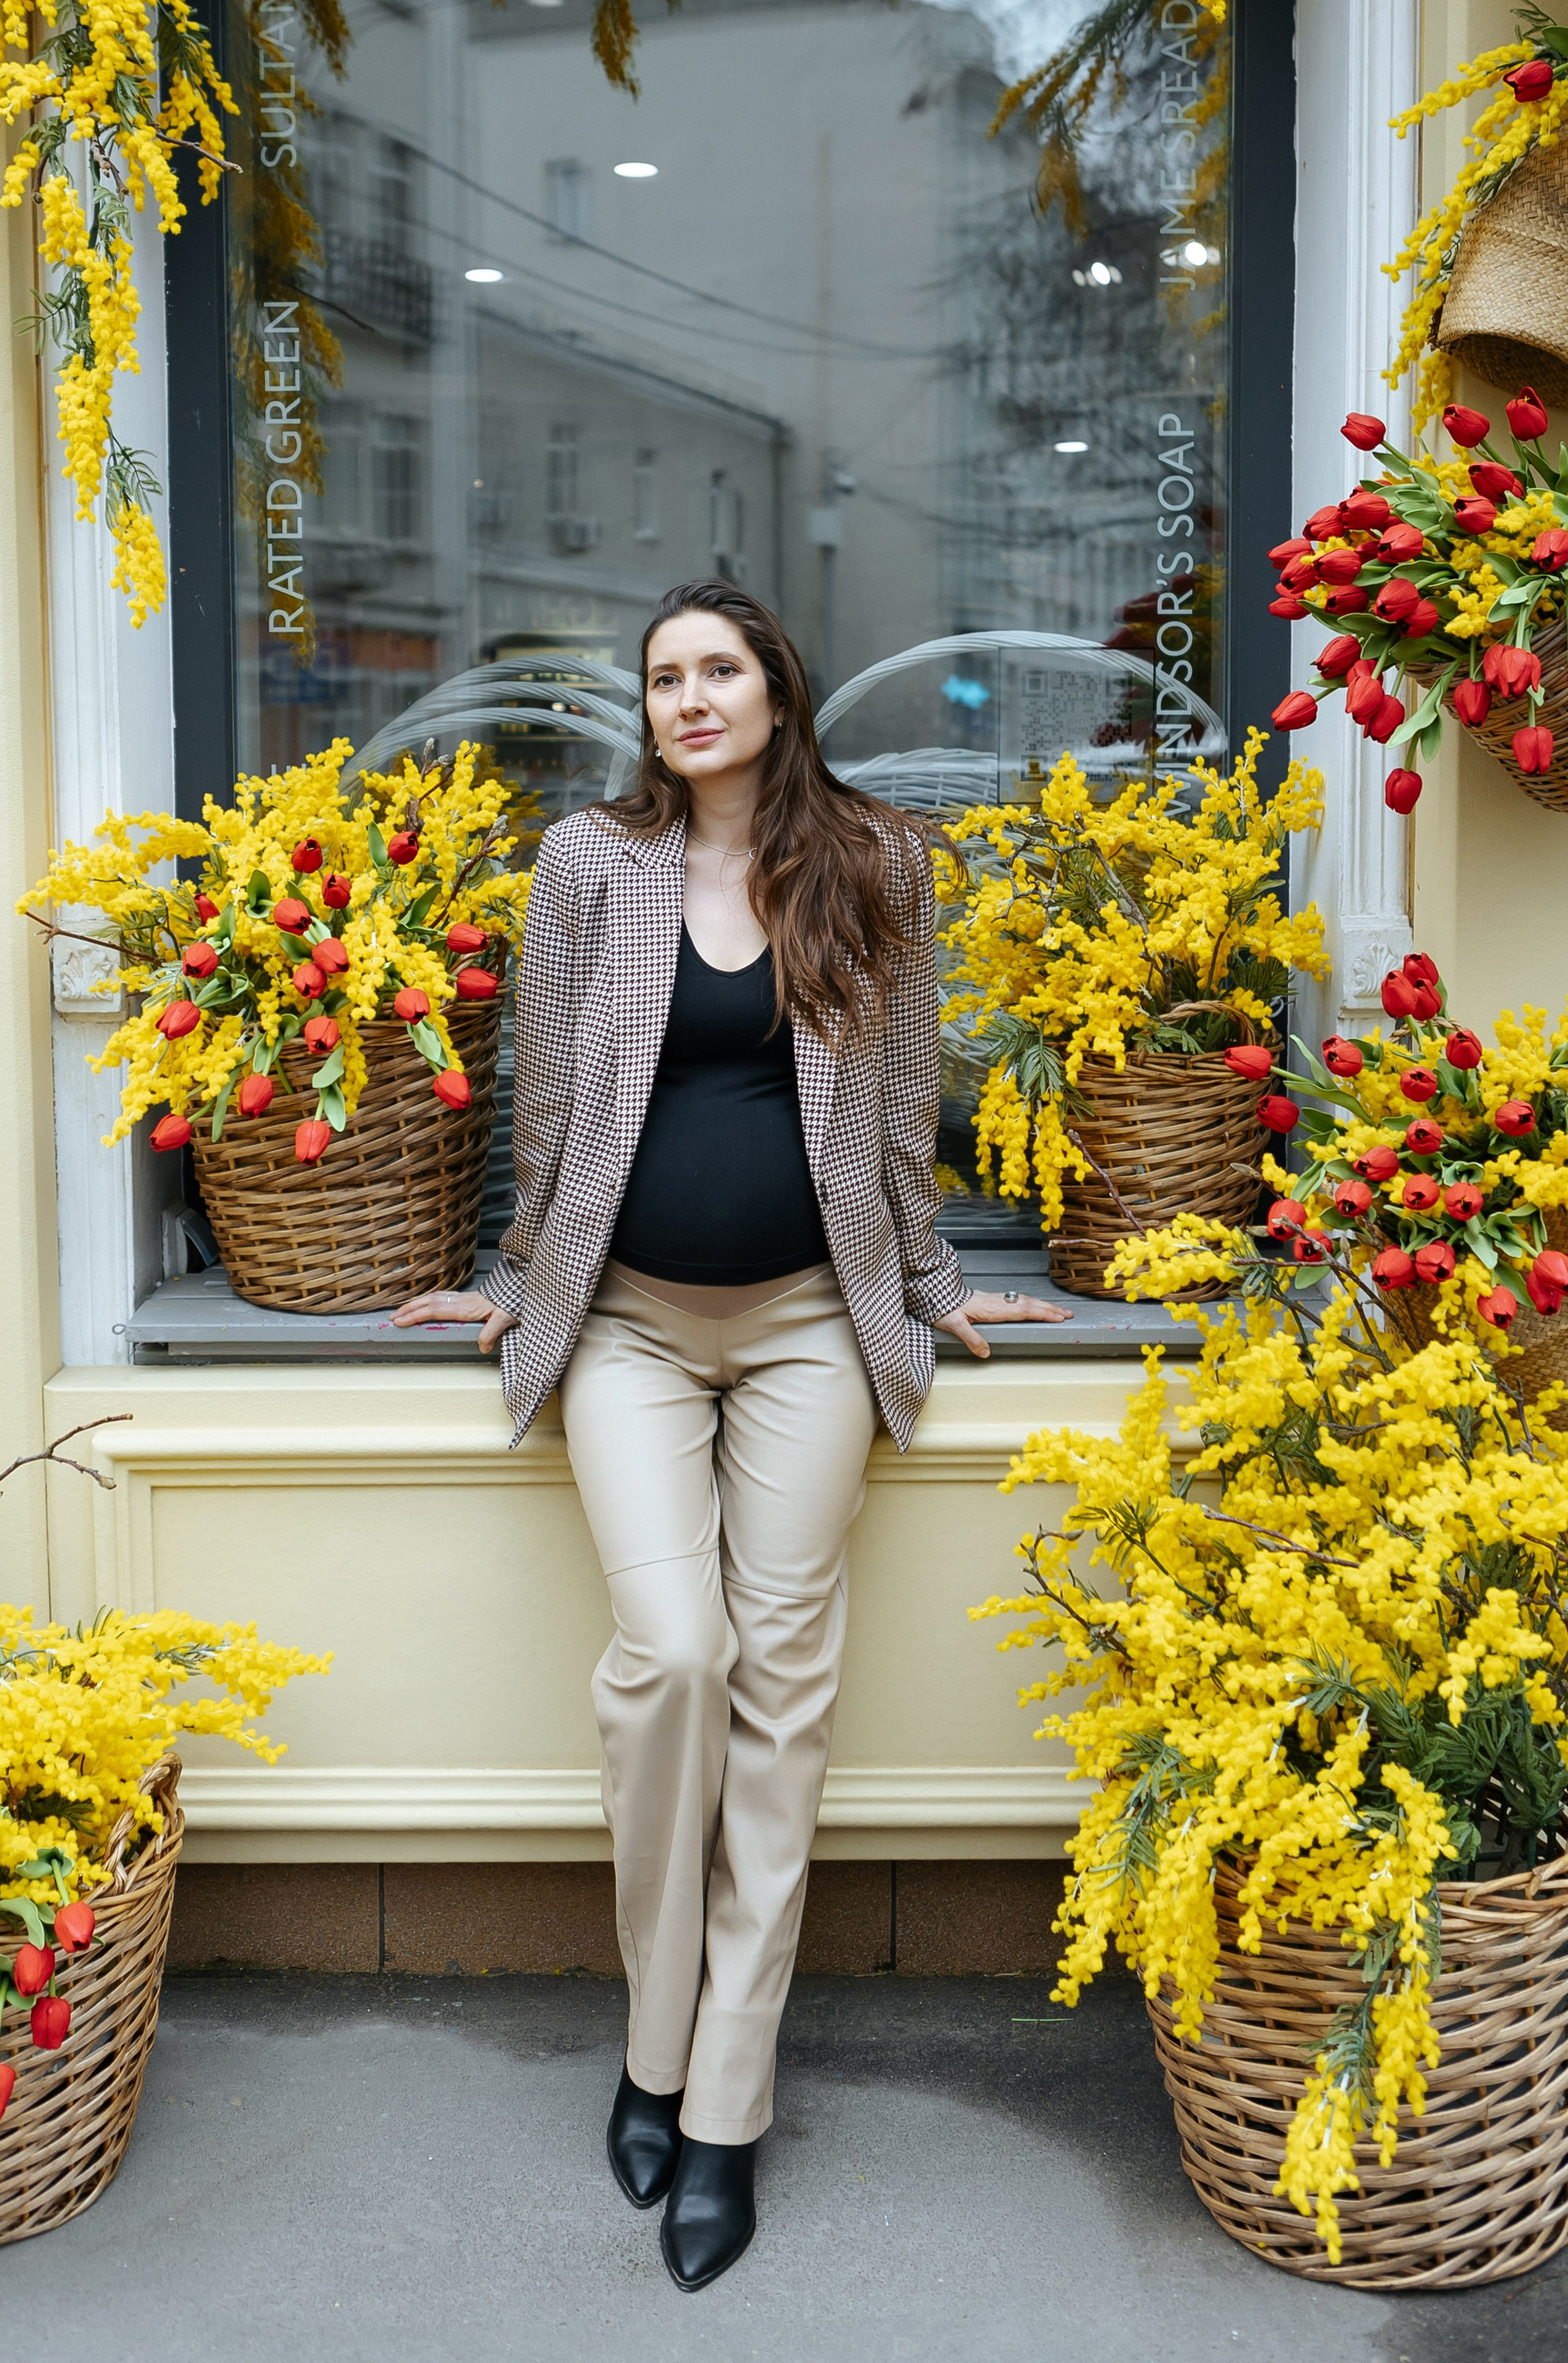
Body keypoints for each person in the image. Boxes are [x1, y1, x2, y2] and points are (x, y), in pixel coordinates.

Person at [394, 582, 1067, 2292]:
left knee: (783, 1697)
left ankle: (720, 2109)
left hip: (805, 1333)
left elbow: (904, 1099)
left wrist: (927, 1284)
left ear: (776, 687)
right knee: (673, 1656)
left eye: (718, 670)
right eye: (663, 679)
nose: (690, 698)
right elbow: (546, 1100)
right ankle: (650, 2036)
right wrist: (514, 1279)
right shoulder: (585, 869)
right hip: (621, 1321)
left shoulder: (877, 865)